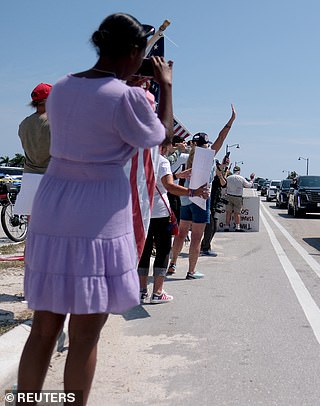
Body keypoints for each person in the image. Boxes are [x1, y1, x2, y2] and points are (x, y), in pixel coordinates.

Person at [17, 13, 173, 404]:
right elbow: (161, 135)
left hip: (54, 199)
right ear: (136, 52)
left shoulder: (64, 87)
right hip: (98, 209)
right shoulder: (128, 97)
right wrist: (165, 87)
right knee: (85, 335)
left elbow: (95, 105)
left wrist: (127, 86)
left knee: (43, 328)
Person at [138, 140, 209, 304]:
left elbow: (156, 181)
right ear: (163, 146)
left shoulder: (140, 160)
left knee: (145, 251)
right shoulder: (161, 161)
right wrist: (193, 192)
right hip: (160, 213)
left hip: (143, 212)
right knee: (163, 251)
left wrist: (177, 175)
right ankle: (157, 292)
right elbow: (169, 186)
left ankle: (142, 291)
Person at [168, 104, 235, 278]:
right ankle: (191, 270)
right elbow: (222, 136)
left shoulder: (189, 154)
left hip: (186, 198)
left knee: (182, 233)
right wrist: (231, 121)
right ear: (206, 144)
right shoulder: (208, 156)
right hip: (201, 199)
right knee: (197, 237)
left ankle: (172, 264)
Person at [14, 83, 52, 217]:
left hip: (29, 177)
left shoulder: (24, 124)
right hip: (51, 177)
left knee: (32, 223)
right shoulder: (54, 122)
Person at [200, 152, 230, 256]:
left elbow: (224, 183)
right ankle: (205, 248)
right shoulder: (211, 175)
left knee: (214, 227)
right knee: (210, 227)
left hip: (214, 203)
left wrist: (223, 169)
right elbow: (222, 182)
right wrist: (220, 171)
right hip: (208, 202)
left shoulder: (218, 175)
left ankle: (205, 245)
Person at [224, 165, 255, 232]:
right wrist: (252, 180)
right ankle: (237, 227)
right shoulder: (241, 178)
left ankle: (226, 226)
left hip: (229, 196)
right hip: (238, 197)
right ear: (239, 171)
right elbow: (248, 185)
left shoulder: (228, 178)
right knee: (237, 213)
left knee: (228, 212)